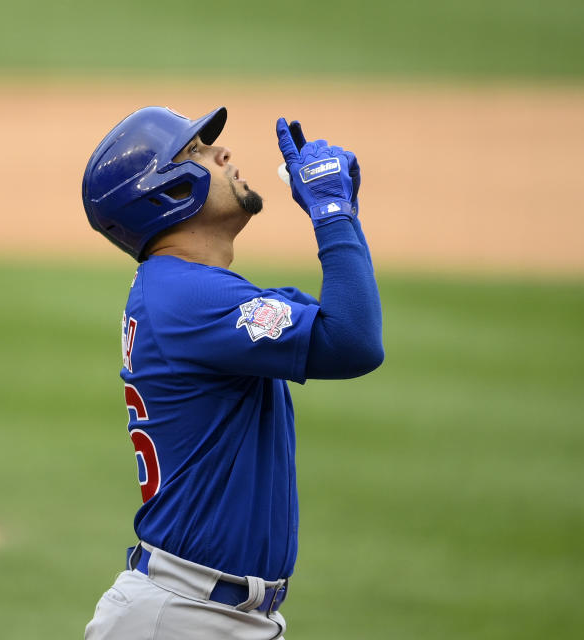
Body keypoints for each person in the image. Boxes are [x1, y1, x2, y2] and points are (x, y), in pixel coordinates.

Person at [80, 105, 383, 639]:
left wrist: (342, 213)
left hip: (204, 612)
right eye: (196, 151)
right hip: (184, 617)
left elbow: (336, 323)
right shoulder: (187, 297)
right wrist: (331, 214)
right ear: (167, 192)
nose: (223, 153)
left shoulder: (188, 292)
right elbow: (353, 342)